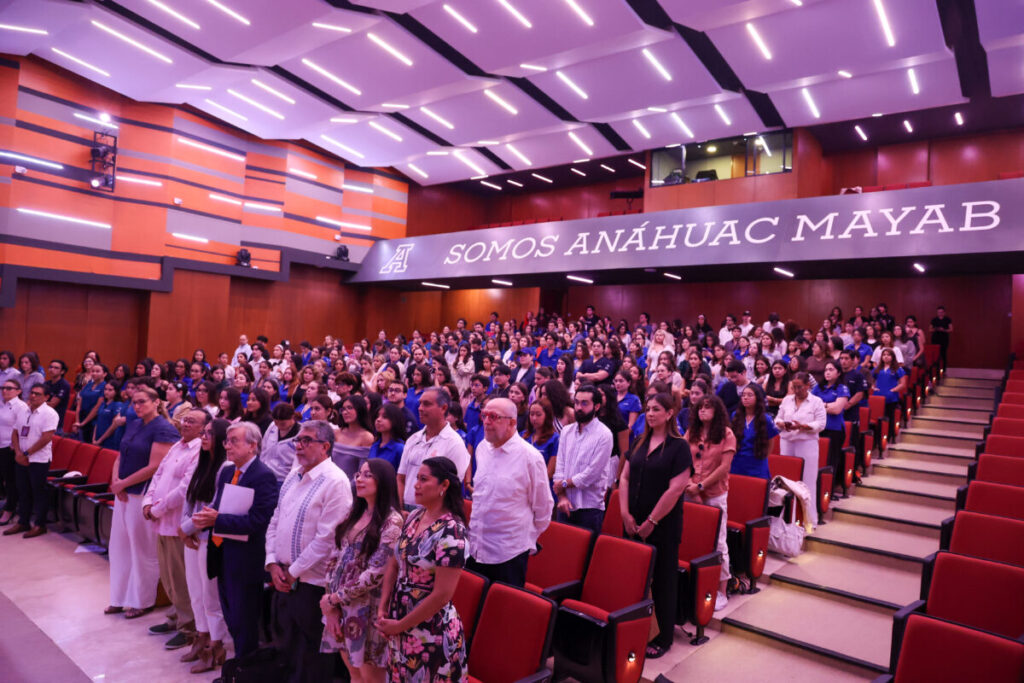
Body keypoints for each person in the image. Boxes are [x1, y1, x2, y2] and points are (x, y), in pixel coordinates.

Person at [266, 420, 353, 682]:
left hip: (313, 583)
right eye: (298, 440)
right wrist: (272, 563)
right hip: (283, 577)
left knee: (313, 656)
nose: (299, 446)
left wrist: (292, 571)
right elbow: (276, 519)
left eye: (306, 441)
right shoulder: (294, 474)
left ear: (325, 446)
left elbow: (327, 539)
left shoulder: (335, 481)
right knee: (288, 650)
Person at [193, 421, 279, 659]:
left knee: (244, 619)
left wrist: (218, 519)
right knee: (230, 615)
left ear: (253, 445)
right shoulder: (228, 472)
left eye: (234, 441)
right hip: (222, 553)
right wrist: (206, 519)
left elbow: (259, 520)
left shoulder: (263, 476)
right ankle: (237, 664)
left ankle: (244, 667)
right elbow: (220, 507)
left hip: (246, 558)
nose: (227, 446)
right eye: (226, 441)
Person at [378, 457, 468, 683]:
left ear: (444, 485)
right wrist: (383, 607)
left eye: (423, 479)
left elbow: (442, 594)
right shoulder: (415, 516)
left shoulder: (452, 531)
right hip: (399, 621)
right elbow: (395, 562)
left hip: (431, 630)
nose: (415, 484)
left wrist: (400, 626)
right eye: (416, 478)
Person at [619, 392, 691, 659]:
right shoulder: (640, 440)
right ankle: (636, 629)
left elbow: (676, 489)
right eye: (648, 409)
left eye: (656, 409)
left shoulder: (679, 447)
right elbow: (625, 478)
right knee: (632, 576)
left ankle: (662, 637)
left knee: (662, 579)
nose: (650, 413)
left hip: (663, 524)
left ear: (670, 413)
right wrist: (624, 513)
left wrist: (652, 520)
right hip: (632, 519)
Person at [320, 460, 404, 683]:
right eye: (358, 474)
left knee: (370, 678)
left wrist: (334, 598)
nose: (359, 479)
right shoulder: (354, 512)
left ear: (383, 481)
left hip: (369, 608)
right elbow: (334, 557)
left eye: (367, 475)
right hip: (341, 605)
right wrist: (330, 604)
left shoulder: (393, 522)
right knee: (354, 674)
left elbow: (376, 573)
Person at [105, 386, 179, 617]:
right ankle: (118, 597)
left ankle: (142, 600)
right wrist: (116, 481)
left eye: (142, 402)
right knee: (119, 547)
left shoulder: (164, 428)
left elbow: (155, 466)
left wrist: (124, 483)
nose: (137, 406)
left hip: (142, 494)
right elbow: (120, 455)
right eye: (134, 402)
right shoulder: (134, 423)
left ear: (156, 402)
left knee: (142, 550)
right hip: (124, 492)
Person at [466, 398, 552, 587]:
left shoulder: (530, 458)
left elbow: (543, 508)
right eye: (484, 415)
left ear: (512, 422)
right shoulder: (482, 449)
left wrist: (524, 538)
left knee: (504, 604)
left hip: (509, 553)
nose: (486, 421)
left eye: (494, 417)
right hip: (477, 546)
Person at [142, 408, 205, 649]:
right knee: (167, 576)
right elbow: (158, 475)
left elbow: (185, 489)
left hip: (177, 522)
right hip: (160, 520)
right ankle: (175, 617)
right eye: (185, 419)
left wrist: (157, 509)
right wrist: (147, 502)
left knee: (181, 577)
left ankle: (188, 627)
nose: (186, 424)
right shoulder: (177, 446)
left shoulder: (198, 450)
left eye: (192, 421)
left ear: (203, 428)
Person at [179, 418, 231, 674]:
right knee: (195, 591)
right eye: (204, 432)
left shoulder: (226, 467)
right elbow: (189, 498)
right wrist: (184, 526)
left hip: (210, 537)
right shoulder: (202, 463)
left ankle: (216, 645)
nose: (204, 436)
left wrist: (187, 527)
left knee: (210, 596)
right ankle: (201, 636)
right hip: (192, 534)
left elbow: (215, 505)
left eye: (210, 433)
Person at [684, 395, 736, 609]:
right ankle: (695, 584)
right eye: (699, 408)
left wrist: (700, 486)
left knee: (718, 541)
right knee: (693, 538)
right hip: (690, 491)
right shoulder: (692, 433)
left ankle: (722, 590)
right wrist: (691, 485)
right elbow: (684, 460)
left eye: (707, 407)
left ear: (717, 411)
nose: (702, 411)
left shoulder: (726, 434)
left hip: (714, 493)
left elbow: (724, 467)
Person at [397, 388, 471, 510]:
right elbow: (401, 478)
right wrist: (400, 509)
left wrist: (428, 516)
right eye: (420, 403)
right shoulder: (413, 439)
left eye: (426, 404)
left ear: (443, 408)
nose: (420, 408)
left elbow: (450, 488)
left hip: (433, 512)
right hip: (406, 508)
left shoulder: (454, 443)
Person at [552, 385, 613, 533]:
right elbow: (560, 466)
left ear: (596, 406)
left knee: (586, 548)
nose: (579, 407)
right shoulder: (566, 431)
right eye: (577, 402)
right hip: (565, 503)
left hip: (589, 508)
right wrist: (561, 496)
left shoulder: (604, 435)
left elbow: (591, 475)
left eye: (585, 403)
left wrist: (563, 484)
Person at [2, 383, 58, 538]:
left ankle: (40, 525)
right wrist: (18, 453)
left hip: (39, 459)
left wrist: (26, 454)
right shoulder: (24, 410)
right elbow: (15, 433)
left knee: (38, 492)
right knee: (23, 490)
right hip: (21, 457)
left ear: (46, 397)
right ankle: (23, 522)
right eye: (32, 392)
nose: (33, 396)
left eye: (37, 394)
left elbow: (46, 438)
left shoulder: (50, 414)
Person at [777, 373, 827, 523]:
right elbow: (778, 417)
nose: (797, 390)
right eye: (794, 387)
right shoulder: (787, 400)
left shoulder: (816, 401)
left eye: (800, 387)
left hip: (806, 443)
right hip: (787, 441)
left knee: (807, 481)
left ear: (807, 386)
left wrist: (805, 426)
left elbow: (821, 424)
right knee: (786, 481)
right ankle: (787, 520)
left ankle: (809, 522)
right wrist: (781, 423)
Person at [813, 360, 850, 494]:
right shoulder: (818, 387)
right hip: (818, 428)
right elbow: (810, 405)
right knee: (817, 460)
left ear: (838, 373)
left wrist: (821, 405)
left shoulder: (842, 388)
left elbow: (837, 409)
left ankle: (829, 491)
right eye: (826, 370)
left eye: (831, 370)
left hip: (834, 430)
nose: (827, 372)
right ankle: (816, 489)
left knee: (831, 461)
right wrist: (828, 405)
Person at [730, 384, 779, 479]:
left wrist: (764, 457)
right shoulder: (735, 416)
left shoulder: (766, 419)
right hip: (737, 462)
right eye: (743, 395)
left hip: (757, 463)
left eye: (750, 395)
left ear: (757, 398)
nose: (745, 398)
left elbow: (770, 443)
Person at [0, 378, 29, 525]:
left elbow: (24, 428)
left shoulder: (21, 406)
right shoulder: (3, 404)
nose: (4, 391)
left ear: (18, 391)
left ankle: (10, 509)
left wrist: (15, 445)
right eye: (3, 388)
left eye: (9, 388)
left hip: (10, 448)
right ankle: (6, 504)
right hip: (1, 446)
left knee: (10, 480)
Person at [333, 395, 375, 479]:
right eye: (343, 409)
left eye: (350, 408)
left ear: (360, 410)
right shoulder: (336, 433)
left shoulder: (367, 437)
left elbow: (361, 472)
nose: (345, 412)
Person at [262, 402, 301, 483]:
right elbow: (264, 448)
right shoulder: (272, 426)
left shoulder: (301, 434)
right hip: (265, 474)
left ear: (292, 417)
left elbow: (299, 463)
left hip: (283, 478)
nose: (278, 426)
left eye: (283, 424)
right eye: (276, 422)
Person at [370, 403, 407, 471]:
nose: (378, 419)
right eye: (377, 416)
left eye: (384, 417)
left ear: (395, 420)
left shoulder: (400, 449)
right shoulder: (375, 445)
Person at [43, 359, 71, 425]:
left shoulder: (64, 385)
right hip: (43, 418)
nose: (52, 369)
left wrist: (39, 403)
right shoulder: (46, 383)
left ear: (62, 371)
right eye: (50, 367)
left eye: (56, 368)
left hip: (55, 421)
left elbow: (52, 404)